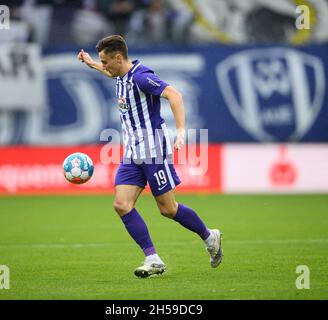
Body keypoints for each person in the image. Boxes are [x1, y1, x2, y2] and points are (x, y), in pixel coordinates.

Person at [77, 35, 223, 278]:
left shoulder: (141, 77)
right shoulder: (120, 75)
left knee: (168, 209)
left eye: (105, 61)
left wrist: (180, 132)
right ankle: (152, 258)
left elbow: (175, 95)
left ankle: (210, 237)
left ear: (118, 57)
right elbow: (108, 73)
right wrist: (91, 63)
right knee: (121, 205)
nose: (104, 66)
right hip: (133, 153)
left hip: (154, 152)